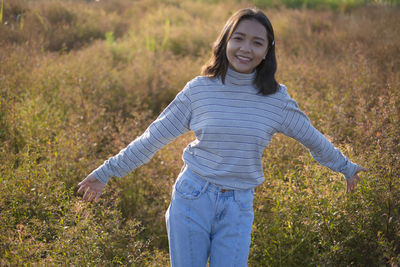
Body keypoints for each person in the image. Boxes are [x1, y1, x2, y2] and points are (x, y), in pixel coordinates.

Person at [78, 7, 366, 267]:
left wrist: (346, 167)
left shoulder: (276, 100)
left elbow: (313, 139)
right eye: (238, 38)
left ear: (268, 51)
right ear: (225, 41)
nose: (245, 49)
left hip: (239, 205)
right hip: (193, 197)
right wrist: (107, 172)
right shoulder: (199, 90)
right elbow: (152, 138)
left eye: (257, 42)